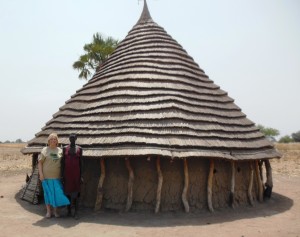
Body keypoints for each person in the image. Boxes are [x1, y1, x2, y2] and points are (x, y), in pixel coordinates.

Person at [38, 133, 70, 218]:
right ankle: (49, 212)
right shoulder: (45, 150)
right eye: (51, 139)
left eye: (55, 139)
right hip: (46, 177)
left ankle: (56, 211)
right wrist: (41, 174)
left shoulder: (60, 150)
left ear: (57, 141)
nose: (53, 140)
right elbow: (40, 163)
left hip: (57, 177)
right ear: (49, 141)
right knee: (48, 194)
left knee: (57, 195)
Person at [61, 134, 83, 219]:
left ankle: (76, 212)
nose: (72, 139)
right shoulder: (65, 148)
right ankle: (69, 211)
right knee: (67, 194)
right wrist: (62, 175)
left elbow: (81, 163)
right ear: (69, 139)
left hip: (76, 176)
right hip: (67, 175)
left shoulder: (80, 149)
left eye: (73, 138)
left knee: (76, 194)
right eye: (71, 138)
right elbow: (62, 163)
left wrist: (81, 176)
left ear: (76, 139)